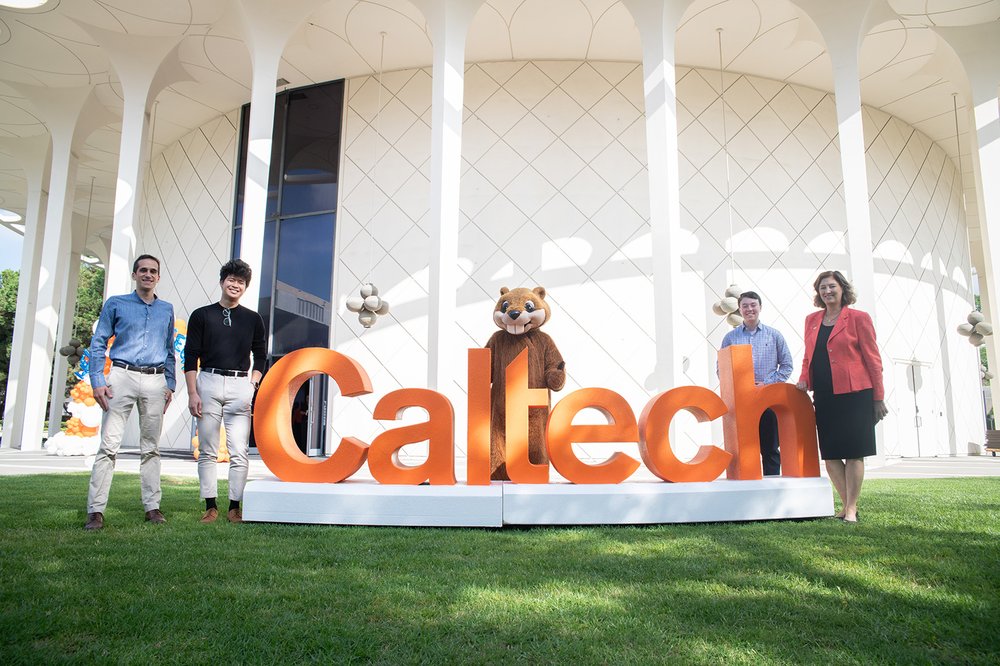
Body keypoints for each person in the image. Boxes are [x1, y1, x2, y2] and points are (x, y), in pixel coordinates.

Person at [84, 255, 176, 530]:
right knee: (109, 446)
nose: (148, 275)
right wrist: (98, 380)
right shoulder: (117, 303)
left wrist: (170, 384)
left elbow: (169, 349)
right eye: (143, 270)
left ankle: (153, 507)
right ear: (135, 274)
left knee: (151, 448)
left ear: (158, 277)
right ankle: (95, 511)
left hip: (155, 379)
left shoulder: (166, 309)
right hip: (121, 377)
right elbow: (98, 342)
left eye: (153, 271)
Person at [796, 270, 888, 523]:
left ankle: (850, 508)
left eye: (831, 287)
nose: (827, 292)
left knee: (854, 452)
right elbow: (809, 355)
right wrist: (804, 377)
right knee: (831, 453)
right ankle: (847, 504)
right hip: (824, 393)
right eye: (822, 288)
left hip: (856, 393)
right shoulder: (812, 320)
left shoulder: (859, 318)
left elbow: (873, 359)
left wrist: (878, 397)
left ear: (842, 289)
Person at [185, 260, 267, 524]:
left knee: (239, 450)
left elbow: (261, 355)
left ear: (245, 287)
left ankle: (234, 506)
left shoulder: (253, 318)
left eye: (241, 282)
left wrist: (252, 384)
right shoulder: (201, 315)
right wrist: (192, 393)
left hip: (239, 384)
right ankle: (211, 506)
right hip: (207, 381)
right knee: (208, 449)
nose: (235, 285)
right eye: (231, 280)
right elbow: (190, 357)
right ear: (222, 282)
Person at [720, 291, 793, 476]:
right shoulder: (730, 338)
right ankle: (746, 487)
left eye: (753, 305)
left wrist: (766, 385)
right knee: (744, 449)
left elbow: (786, 366)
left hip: (767, 400)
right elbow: (721, 369)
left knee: (770, 448)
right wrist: (739, 386)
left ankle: (771, 486)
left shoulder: (774, 336)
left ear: (760, 307)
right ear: (740, 309)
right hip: (742, 402)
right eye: (745, 306)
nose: (749, 309)